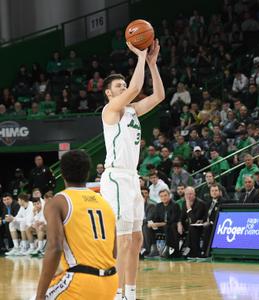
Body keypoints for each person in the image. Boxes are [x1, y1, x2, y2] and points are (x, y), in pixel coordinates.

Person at [100, 40, 165, 300]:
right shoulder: (110, 110)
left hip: (132, 177)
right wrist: (139, 56)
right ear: (108, 93)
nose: (125, 88)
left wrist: (152, 63)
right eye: (119, 86)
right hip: (115, 177)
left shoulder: (133, 111)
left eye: (124, 85)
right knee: (124, 240)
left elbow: (159, 96)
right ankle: (117, 293)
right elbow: (138, 86)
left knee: (137, 239)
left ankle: (131, 293)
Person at [35, 150, 118, 299]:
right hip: (111, 283)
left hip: (80, 283)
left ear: (61, 173)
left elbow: (55, 248)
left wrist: (39, 296)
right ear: (88, 173)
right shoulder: (104, 203)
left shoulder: (57, 202)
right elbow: (114, 252)